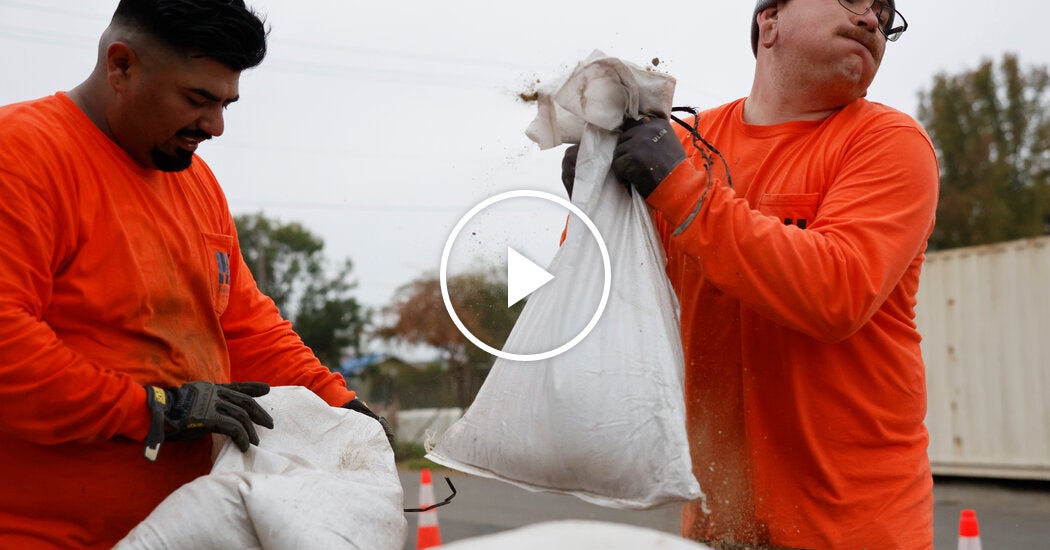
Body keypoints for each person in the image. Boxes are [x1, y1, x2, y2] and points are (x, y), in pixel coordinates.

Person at [0, 1, 390, 547]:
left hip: (180, 529)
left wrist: (344, 409)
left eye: (226, 103)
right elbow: (7, 345)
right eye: (197, 99)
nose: (216, 126)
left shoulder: (195, 182)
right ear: (121, 66)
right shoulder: (21, 155)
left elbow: (245, 326)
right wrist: (155, 408)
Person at [563, 1, 936, 548]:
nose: (871, 19)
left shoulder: (887, 143)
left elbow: (837, 294)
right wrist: (592, 206)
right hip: (722, 525)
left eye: (884, 13)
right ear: (770, 21)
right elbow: (608, 294)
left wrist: (681, 190)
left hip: (856, 528)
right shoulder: (686, 145)